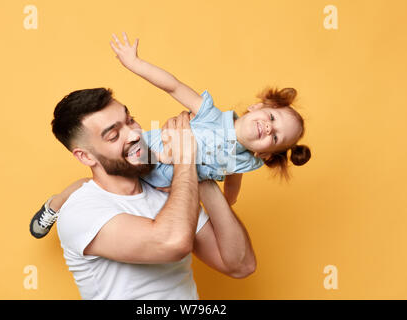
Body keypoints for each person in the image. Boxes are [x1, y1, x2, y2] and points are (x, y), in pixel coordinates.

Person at [30, 32, 311, 238]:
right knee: (87, 187)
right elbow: (174, 87)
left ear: (264, 153)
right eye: (272, 118)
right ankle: (56, 204)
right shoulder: (211, 115)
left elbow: (233, 183)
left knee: (151, 216)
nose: (268, 128)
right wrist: (135, 63)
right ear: (258, 107)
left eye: (275, 137)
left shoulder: (247, 161)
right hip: (143, 156)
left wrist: (227, 203)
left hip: (168, 187)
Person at [34, 86, 257, 299]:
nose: (133, 134)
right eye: (113, 136)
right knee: (78, 189)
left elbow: (240, 265)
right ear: (86, 157)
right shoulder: (80, 211)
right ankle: (55, 205)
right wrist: (186, 158)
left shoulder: (171, 190)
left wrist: (202, 172)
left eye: (130, 120)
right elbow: (172, 243)